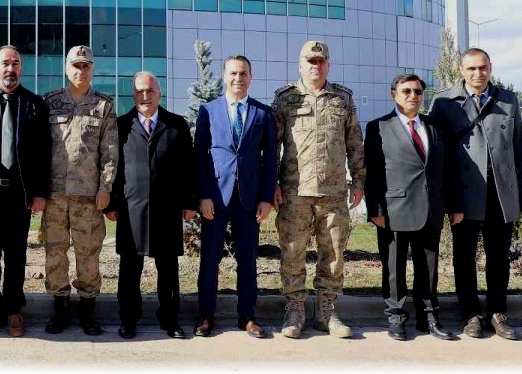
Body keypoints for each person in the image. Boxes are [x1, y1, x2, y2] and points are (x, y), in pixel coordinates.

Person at [428, 47, 522, 340]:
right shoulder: (444, 102)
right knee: (464, 256)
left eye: (482, 68)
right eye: (471, 69)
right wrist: (445, 196)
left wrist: (521, 196)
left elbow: (518, 149)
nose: (477, 74)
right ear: (461, 70)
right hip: (464, 194)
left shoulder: (508, 101)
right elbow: (438, 153)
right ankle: (470, 313)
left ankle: (497, 312)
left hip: (500, 192)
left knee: (499, 256)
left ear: (490, 68)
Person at [273, 40, 364, 339]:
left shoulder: (342, 98)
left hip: (334, 191)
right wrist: (271, 184)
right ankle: (295, 310)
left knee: (334, 253)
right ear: (300, 65)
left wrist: (359, 181)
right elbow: (271, 145)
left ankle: (327, 311)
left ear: (328, 65)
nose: (316, 65)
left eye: (321, 61)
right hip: (294, 191)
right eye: (310, 61)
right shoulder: (285, 99)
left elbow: (354, 143)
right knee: (292, 252)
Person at [364, 74, 463, 341]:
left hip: (430, 208)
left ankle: (428, 318)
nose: (413, 96)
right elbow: (372, 173)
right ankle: (396, 318)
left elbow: (447, 169)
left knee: (428, 268)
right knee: (393, 268)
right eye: (406, 91)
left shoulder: (435, 127)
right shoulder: (378, 127)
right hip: (394, 209)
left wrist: (454, 205)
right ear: (393, 94)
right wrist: (375, 210)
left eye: (418, 92)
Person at [0, 45, 51, 337]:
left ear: (21, 69)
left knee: (16, 255)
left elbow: (43, 153)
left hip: (20, 194)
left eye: (15, 63)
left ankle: (14, 310)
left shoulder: (35, 104)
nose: (10, 69)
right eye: (5, 63)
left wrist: (40, 193)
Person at [104, 72, 194, 339]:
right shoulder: (120, 126)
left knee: (168, 269)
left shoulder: (177, 125)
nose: (145, 96)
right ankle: (129, 319)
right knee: (130, 270)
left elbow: (187, 167)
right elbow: (114, 168)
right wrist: (111, 203)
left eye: (150, 91)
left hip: (167, 210)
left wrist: (189, 202)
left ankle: (169, 319)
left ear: (159, 93)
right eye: (140, 91)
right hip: (131, 210)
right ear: (134, 95)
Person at [194, 56, 276, 339]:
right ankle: (205, 316)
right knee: (209, 259)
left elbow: (271, 160)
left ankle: (247, 316)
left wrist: (266, 198)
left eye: (243, 73)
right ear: (224, 76)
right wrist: (203, 195)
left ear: (251, 77)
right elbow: (200, 156)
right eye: (233, 73)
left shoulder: (263, 114)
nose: (238, 78)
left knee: (248, 259)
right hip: (215, 197)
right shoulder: (208, 111)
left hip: (250, 200)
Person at [41, 45, 118, 336]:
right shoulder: (49, 102)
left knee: (89, 254)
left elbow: (110, 152)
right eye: (76, 65)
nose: (80, 70)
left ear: (92, 69)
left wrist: (106, 187)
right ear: (66, 67)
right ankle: (59, 311)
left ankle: (88, 313)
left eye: (86, 66)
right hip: (55, 196)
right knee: (55, 252)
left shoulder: (103, 105)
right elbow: (39, 150)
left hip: (89, 196)